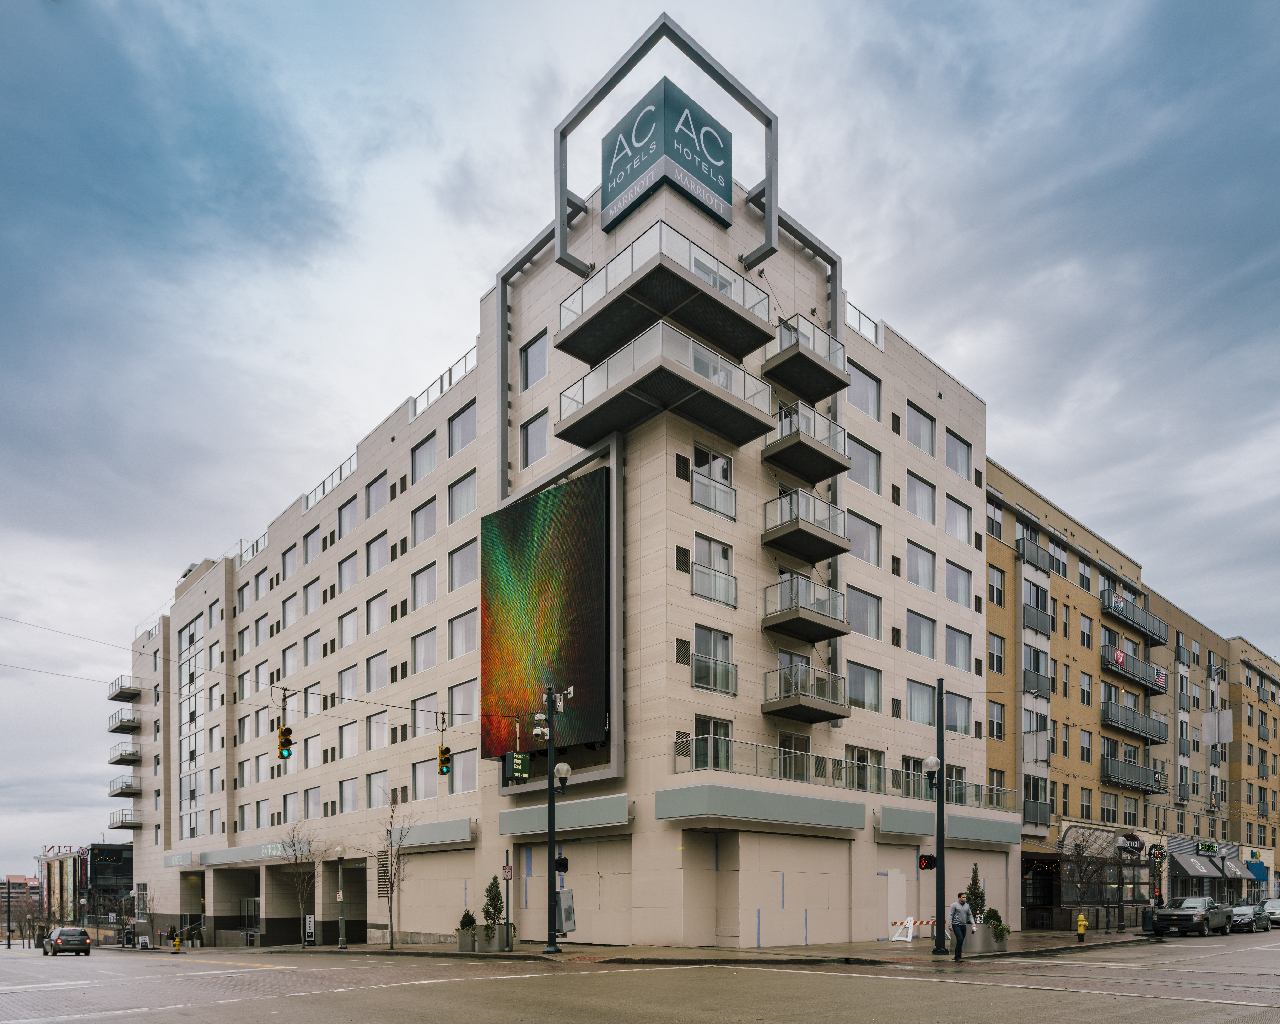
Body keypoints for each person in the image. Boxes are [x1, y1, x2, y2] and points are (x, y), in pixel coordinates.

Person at [948, 892, 975, 961]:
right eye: (963, 897)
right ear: (959, 898)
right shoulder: (954, 905)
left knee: (961, 940)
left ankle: (958, 954)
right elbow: (950, 915)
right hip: (956, 924)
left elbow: (970, 915)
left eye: (965, 897)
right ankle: (957, 956)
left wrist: (973, 923)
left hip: (963, 925)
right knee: (960, 938)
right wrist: (950, 925)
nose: (965, 898)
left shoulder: (967, 906)